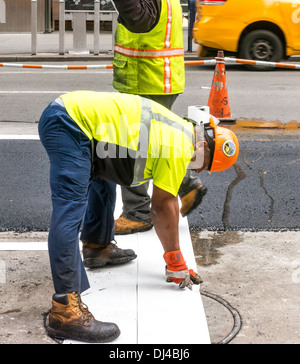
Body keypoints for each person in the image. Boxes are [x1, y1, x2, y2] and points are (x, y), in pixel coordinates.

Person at [39, 91, 239, 343]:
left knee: (103, 179)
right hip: (68, 122)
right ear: (202, 145)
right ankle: (65, 311)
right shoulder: (180, 145)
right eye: (204, 163)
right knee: (69, 209)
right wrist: (175, 260)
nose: (198, 169)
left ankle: (97, 246)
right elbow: (162, 206)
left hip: (75, 118)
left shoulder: (178, 131)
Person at [104, 0, 207, 236]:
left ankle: (137, 212)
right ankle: (186, 186)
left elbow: (137, 20)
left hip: (147, 83)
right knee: (155, 144)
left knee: (131, 149)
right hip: (157, 82)